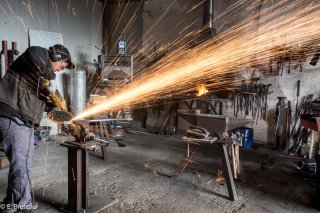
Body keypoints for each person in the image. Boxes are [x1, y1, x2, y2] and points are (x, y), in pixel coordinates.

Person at [0, 44, 75, 212]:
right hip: (12, 116)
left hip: (20, 121)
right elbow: (34, 53)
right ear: (55, 57)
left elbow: (54, 102)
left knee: (21, 164)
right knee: (23, 165)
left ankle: (11, 203)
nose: (59, 70)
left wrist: (65, 114)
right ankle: (23, 207)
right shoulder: (38, 56)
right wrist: (52, 79)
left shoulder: (43, 80)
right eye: (60, 65)